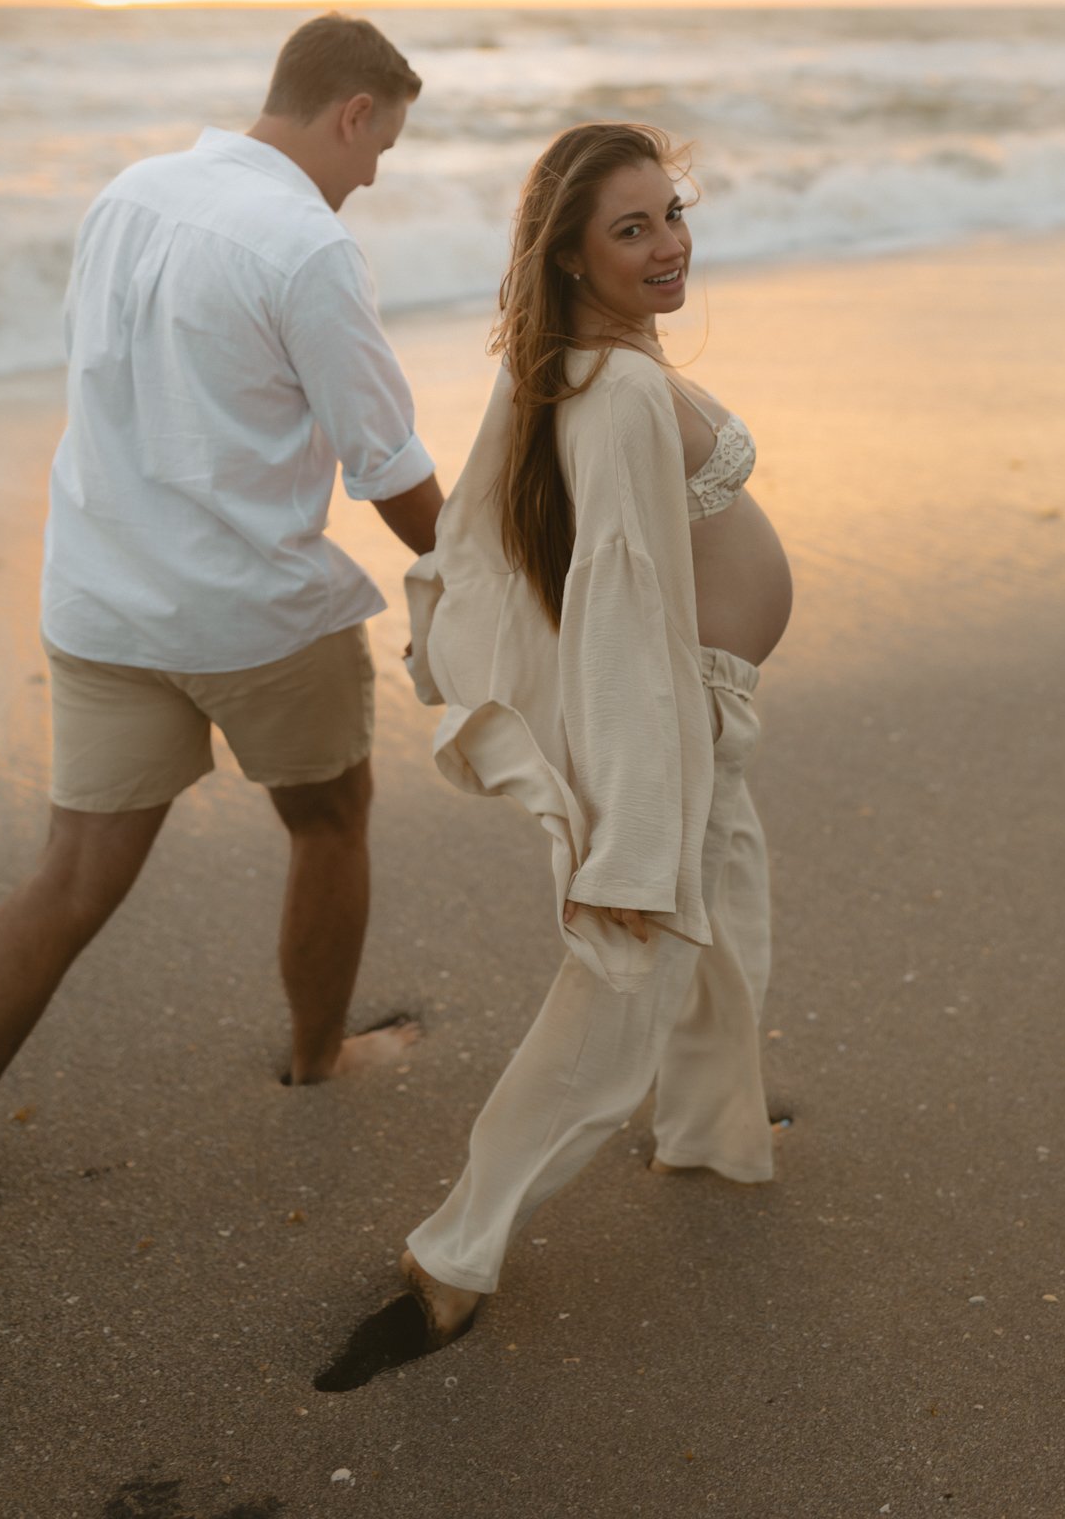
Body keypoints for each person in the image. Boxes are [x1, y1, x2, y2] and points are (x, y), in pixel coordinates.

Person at [0, 13, 443, 1241]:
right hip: (250, 613)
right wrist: (493, 566)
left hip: (100, 594)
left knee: (71, 874)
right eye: (380, 147)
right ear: (352, 111)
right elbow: (388, 465)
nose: (373, 176)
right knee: (330, 819)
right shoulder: (309, 246)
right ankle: (320, 1057)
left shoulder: (131, 190)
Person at [314, 120, 793, 1389]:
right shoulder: (621, 388)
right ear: (572, 257)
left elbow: (487, 523)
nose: (668, 244)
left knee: (729, 921)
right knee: (614, 991)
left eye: (672, 212)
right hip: (672, 719)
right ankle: (455, 1251)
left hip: (701, 708)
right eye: (630, 228)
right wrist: (629, 834)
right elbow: (626, 610)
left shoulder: (576, 365)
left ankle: (709, 1131)